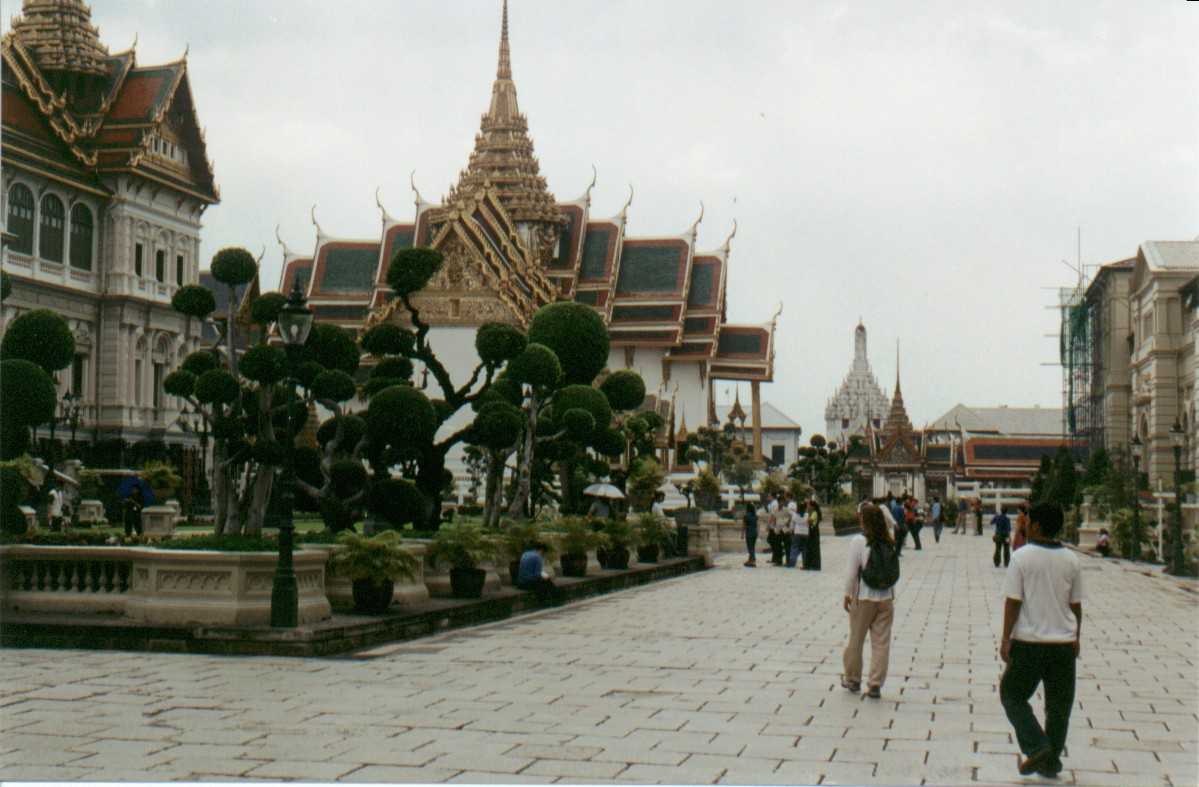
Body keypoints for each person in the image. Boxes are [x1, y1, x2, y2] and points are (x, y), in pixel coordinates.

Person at [999, 502, 1083, 778]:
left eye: (1028, 521)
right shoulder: (1071, 559)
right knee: (1059, 706)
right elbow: (1076, 605)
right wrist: (1077, 635)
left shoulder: (1022, 557)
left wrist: (1005, 638)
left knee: (1011, 694)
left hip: (1030, 642)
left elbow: (1013, 601)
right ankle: (1050, 760)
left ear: (1036, 526)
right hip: (1063, 645)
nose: (1024, 525)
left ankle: (1036, 746)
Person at [841, 503, 897, 699]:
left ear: (863, 520)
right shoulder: (889, 540)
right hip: (886, 598)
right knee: (881, 643)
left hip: (863, 597)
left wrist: (847, 594)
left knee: (856, 639)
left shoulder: (859, 541)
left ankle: (853, 679)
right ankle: (875, 684)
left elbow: (851, 572)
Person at [786, 500, 807, 568]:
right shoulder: (807, 515)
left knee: (794, 547)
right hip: (805, 533)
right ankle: (805, 562)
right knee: (804, 548)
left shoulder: (795, 515)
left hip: (797, 533)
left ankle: (792, 562)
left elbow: (792, 525)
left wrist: (790, 531)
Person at [803, 498, 822, 571]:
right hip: (812, 532)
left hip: (813, 533)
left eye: (809, 505)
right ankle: (810, 564)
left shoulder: (814, 513)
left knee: (813, 549)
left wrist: (807, 514)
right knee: (810, 548)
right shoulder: (812, 512)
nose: (807, 506)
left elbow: (809, 521)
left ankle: (814, 565)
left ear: (812, 506)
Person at [766, 493, 783, 565]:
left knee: (773, 541)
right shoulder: (773, 504)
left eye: (768, 496)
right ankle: (775, 557)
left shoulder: (774, 504)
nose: (767, 497)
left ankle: (777, 557)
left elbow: (773, 515)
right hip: (774, 525)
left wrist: (769, 524)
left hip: (774, 526)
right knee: (772, 540)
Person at [743, 502, 758, 567]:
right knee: (752, 547)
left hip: (749, 532)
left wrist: (742, 534)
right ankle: (750, 560)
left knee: (750, 547)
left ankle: (753, 560)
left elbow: (744, 525)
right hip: (755, 532)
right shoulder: (755, 516)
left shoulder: (746, 516)